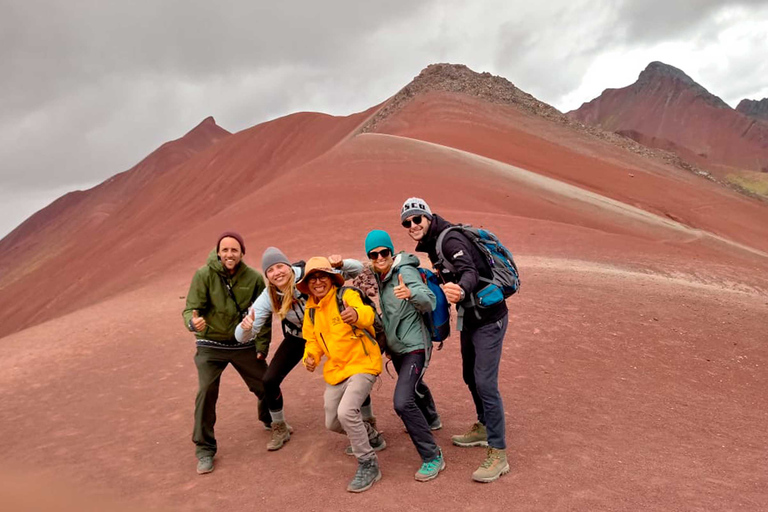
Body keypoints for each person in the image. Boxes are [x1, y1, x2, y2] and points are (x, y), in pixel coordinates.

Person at [401, 197, 511, 483]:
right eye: (407, 222)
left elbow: (469, 272)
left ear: (427, 217)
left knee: (486, 383)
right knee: (469, 376)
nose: (412, 225)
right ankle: (484, 426)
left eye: (416, 219)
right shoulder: (434, 244)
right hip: (472, 318)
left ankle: (498, 453)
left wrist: (461, 291)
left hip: (489, 318)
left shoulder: (449, 240)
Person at [234, 247, 372, 451]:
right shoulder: (268, 296)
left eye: (280, 266)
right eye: (270, 270)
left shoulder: (311, 275)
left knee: (352, 370)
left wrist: (341, 264)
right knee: (269, 379)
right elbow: (241, 335)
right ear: (267, 276)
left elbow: (358, 269)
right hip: (299, 337)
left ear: (289, 267)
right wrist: (245, 329)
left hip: (332, 331)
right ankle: (279, 426)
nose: (277, 272)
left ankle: (368, 420)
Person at [182, 231, 272, 475]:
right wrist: (193, 323)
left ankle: (268, 418)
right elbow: (190, 309)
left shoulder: (253, 278)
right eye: (225, 250)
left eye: (234, 250)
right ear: (218, 252)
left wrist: (262, 347)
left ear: (242, 252)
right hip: (210, 344)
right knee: (206, 392)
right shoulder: (204, 275)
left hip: (242, 343)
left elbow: (263, 314)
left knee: (266, 385)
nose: (229, 254)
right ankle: (204, 449)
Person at [364, 229, 446, 482]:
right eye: (373, 254)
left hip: (415, 347)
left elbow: (429, 300)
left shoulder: (404, 272)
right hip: (398, 348)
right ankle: (431, 418)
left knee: (402, 401)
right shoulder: (381, 275)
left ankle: (433, 456)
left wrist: (412, 294)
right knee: (414, 385)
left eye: (383, 252)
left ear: (391, 251)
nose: (379, 257)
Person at [299, 257, 386, 493]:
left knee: (347, 412)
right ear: (306, 284)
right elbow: (312, 340)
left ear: (331, 278)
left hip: (362, 362)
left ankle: (368, 463)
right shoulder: (311, 309)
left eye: (322, 276)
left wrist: (356, 316)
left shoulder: (345, 295)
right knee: (332, 422)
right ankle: (372, 437)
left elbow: (366, 312)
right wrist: (311, 357)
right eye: (312, 278)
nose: (318, 282)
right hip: (337, 369)